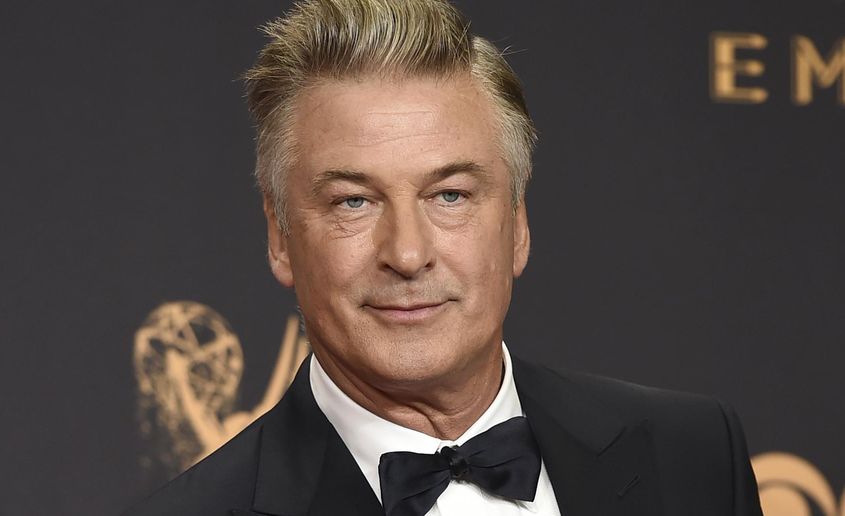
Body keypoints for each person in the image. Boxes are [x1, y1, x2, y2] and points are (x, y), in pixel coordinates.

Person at [126, 0, 763, 514]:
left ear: (516, 223)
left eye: (450, 194)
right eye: (354, 202)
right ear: (280, 235)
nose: (407, 253)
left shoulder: (693, 456)